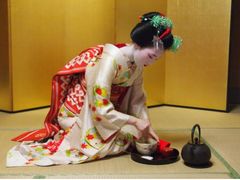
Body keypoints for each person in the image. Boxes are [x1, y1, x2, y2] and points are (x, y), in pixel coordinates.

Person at [6, 12, 182, 167]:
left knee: (133, 137)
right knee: (107, 145)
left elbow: (137, 101)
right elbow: (100, 107)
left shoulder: (138, 64)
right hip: (81, 112)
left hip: (104, 113)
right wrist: (135, 123)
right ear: (138, 44)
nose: (151, 62)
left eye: (156, 60)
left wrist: (145, 126)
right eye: (151, 56)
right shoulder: (109, 60)